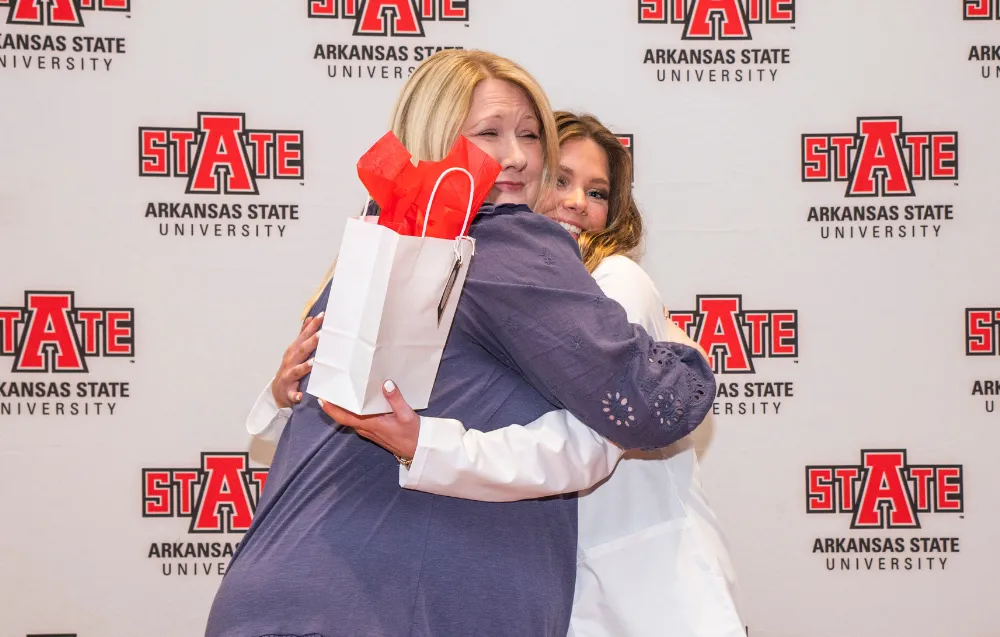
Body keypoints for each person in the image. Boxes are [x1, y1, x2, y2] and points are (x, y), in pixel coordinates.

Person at [207, 49, 715, 637]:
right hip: (400, 605)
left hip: (273, 595)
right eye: (489, 134)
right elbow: (650, 406)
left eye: (530, 134)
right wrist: (685, 352)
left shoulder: (380, 241)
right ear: (436, 134)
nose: (518, 157)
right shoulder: (505, 239)